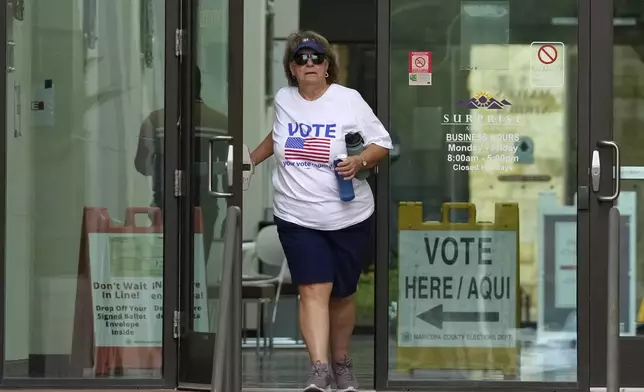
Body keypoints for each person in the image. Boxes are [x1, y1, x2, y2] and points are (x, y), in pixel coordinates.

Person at [250, 31, 392, 392]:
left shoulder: (349, 100)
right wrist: (250, 160)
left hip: (349, 215)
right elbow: (280, 135)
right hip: (297, 216)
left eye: (316, 58)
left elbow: (382, 145)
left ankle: (341, 362)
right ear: (292, 69)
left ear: (328, 66)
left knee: (342, 293)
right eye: (301, 58)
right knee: (314, 288)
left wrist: (359, 159)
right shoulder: (284, 99)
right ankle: (319, 368)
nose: (309, 63)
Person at [135, 66, 228, 260]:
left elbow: (142, 166)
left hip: (164, 204)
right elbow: (230, 170)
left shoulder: (155, 121)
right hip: (206, 206)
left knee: (164, 266)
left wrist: (164, 167)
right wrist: (231, 210)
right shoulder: (221, 122)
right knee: (198, 265)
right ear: (199, 85)